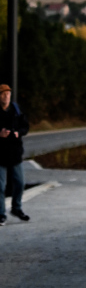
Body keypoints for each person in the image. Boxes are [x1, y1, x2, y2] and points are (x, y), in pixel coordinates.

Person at [0, 84, 29, 225]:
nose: (6, 96)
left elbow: (26, 126)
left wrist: (19, 132)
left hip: (15, 152)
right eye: (3, 94)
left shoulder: (16, 110)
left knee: (20, 182)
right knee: (0, 186)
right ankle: (1, 214)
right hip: (0, 154)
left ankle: (16, 208)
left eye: (8, 94)